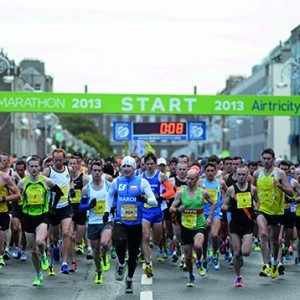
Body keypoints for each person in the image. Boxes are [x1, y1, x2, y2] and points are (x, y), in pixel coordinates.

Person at [105, 156, 157, 294]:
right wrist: (106, 211)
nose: (126, 169)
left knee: (133, 255)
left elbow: (154, 201)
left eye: (129, 166)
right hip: (121, 220)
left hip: (136, 222)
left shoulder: (142, 182)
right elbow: (109, 196)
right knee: (120, 242)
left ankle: (129, 279)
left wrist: (145, 199)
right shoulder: (117, 182)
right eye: (124, 166)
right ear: (121, 168)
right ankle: (121, 264)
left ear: (134, 168)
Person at [18, 156, 63, 286]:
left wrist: (53, 206)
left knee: (39, 241)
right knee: (32, 250)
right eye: (31, 166)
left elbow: (59, 192)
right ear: (28, 168)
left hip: (42, 216)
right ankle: (38, 274)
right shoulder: (22, 182)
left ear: (40, 168)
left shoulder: (46, 181)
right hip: (28, 217)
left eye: (36, 166)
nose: (34, 169)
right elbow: (17, 196)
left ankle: (43, 255)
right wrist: (20, 209)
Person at [170, 169, 215, 287]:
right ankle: (191, 275)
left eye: (192, 179)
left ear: (197, 179)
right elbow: (171, 208)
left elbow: (213, 203)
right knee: (188, 258)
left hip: (199, 225)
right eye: (188, 178)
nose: (189, 181)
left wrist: (209, 218)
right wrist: (178, 209)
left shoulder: (202, 192)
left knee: (198, 245)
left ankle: (199, 260)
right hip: (185, 227)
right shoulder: (180, 193)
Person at [252, 148, 293, 279]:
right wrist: (254, 204)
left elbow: (291, 192)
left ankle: (275, 262)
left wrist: (280, 186)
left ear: (273, 159)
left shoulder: (280, 173)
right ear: (262, 158)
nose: (266, 161)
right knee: (263, 234)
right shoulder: (257, 174)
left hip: (277, 211)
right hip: (262, 209)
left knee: (275, 242)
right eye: (264, 158)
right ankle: (265, 265)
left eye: (269, 158)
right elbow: (252, 190)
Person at [221, 165, 259, 287]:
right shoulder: (231, 189)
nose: (241, 177)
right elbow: (224, 206)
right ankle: (238, 276)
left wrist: (255, 211)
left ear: (248, 175)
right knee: (236, 253)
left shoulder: (252, 189)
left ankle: (242, 254)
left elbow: (258, 202)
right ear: (236, 175)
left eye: (244, 175)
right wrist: (230, 207)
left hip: (247, 224)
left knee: (246, 252)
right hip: (235, 225)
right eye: (239, 175)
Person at [142, 153, 175, 278]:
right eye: (147, 164)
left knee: (156, 240)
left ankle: (156, 245)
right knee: (145, 237)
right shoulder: (141, 177)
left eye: (152, 164)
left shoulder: (160, 176)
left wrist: (161, 197)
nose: (149, 166)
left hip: (157, 211)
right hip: (145, 211)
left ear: (155, 164)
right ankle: (148, 264)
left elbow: (171, 191)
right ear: (144, 165)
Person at [79, 161, 112, 284]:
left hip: (106, 221)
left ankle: (105, 256)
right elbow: (80, 207)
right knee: (95, 251)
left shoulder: (108, 185)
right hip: (93, 222)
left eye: (99, 170)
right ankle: (98, 271)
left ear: (102, 172)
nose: (97, 173)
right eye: (95, 171)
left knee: (104, 242)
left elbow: (115, 199)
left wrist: (112, 208)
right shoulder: (86, 189)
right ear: (91, 172)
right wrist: (88, 206)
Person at [42, 148, 74, 275]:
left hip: (65, 206)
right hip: (53, 207)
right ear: (52, 159)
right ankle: (55, 247)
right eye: (56, 160)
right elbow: (40, 183)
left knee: (66, 233)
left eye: (61, 160)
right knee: (54, 236)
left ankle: (64, 263)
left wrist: (71, 188)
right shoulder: (48, 171)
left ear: (64, 159)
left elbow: (71, 180)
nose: (58, 162)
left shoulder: (68, 170)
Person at [198, 162, 227, 273]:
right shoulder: (201, 182)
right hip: (202, 213)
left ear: (216, 171)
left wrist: (225, 202)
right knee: (204, 239)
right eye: (208, 171)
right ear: (204, 172)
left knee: (215, 234)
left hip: (215, 213)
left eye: (212, 170)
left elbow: (228, 192)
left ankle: (215, 254)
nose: (210, 173)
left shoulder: (220, 183)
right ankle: (205, 257)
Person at [68, 155, 89, 271]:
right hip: (69, 210)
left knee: (78, 240)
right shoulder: (65, 178)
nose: (72, 166)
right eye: (70, 164)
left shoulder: (84, 178)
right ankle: (73, 262)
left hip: (80, 210)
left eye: (74, 163)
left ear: (79, 164)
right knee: (70, 236)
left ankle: (77, 245)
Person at [0, 157, 21, 268]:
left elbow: (17, 194)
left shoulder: (5, 178)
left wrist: (3, 199)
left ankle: (1, 255)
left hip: (2, 212)